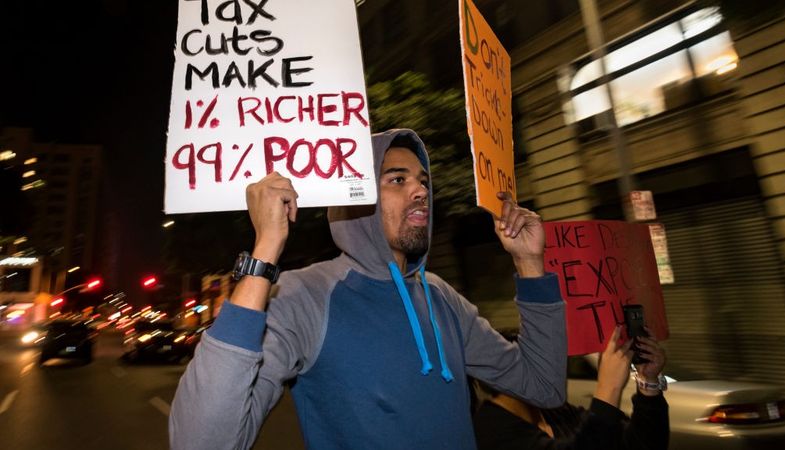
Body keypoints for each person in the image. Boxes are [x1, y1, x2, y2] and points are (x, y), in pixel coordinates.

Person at [169, 129, 568, 450]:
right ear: (355, 194)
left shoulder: (442, 298)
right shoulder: (304, 296)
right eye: (398, 179)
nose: (421, 192)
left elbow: (544, 387)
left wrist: (529, 264)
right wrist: (266, 248)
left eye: (423, 181)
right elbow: (200, 442)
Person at [473, 326, 669, 450]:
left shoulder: (554, 411)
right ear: (511, 375)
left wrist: (648, 382)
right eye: (542, 364)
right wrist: (608, 387)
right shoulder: (491, 431)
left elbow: (640, 444)